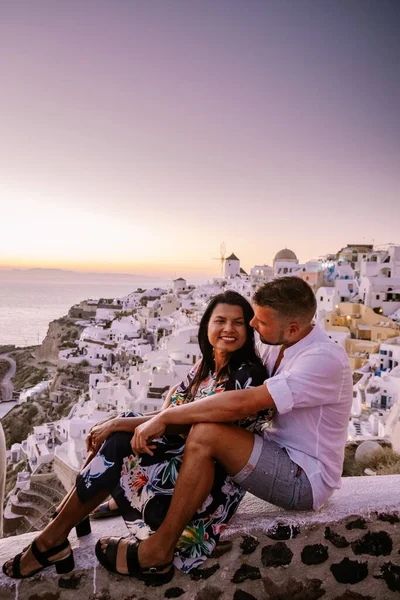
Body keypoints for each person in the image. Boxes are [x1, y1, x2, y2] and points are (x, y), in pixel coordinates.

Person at [93, 276, 352, 581]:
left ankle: (158, 550)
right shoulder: (279, 344)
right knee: (200, 424)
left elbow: (245, 402)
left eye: (262, 321)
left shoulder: (323, 359)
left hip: (306, 479)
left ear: (293, 328)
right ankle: (132, 495)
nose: (253, 324)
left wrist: (166, 417)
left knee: (207, 432)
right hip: (274, 453)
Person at [2, 290, 270, 580]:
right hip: (176, 470)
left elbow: (188, 425)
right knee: (121, 429)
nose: (228, 329)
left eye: (238, 323)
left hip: (200, 495)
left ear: (249, 329)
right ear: (206, 325)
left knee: (119, 435)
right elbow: (167, 415)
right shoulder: (202, 369)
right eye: (220, 320)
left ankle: (51, 539)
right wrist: (121, 423)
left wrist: (118, 424)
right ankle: (60, 526)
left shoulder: (248, 375)